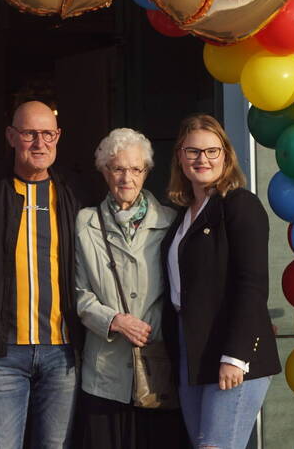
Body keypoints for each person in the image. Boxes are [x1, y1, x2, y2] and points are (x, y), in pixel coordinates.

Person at [162, 114, 281, 449]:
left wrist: (235, 356)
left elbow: (252, 285)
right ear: (180, 157)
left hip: (230, 348)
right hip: (192, 349)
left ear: (227, 156)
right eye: (193, 152)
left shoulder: (239, 204)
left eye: (212, 151)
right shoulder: (182, 216)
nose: (203, 160)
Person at [0, 100, 83, 448]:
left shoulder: (75, 191)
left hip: (61, 352)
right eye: (30, 133)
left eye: (47, 133)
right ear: (10, 136)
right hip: (1, 353)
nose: (40, 143)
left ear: (58, 136)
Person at [73, 128, 185, 448]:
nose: (127, 178)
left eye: (136, 169)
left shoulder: (171, 222)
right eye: (118, 168)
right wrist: (114, 320)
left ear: (147, 172)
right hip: (105, 374)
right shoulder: (85, 223)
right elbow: (78, 293)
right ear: (104, 171)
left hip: (157, 371)